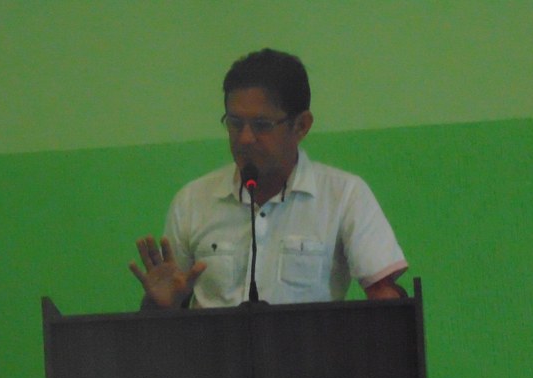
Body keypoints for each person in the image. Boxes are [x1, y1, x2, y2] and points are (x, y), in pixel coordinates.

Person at [129, 48, 408, 309]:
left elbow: (385, 299)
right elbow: (166, 315)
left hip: (311, 347)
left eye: (261, 125)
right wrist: (159, 305)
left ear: (301, 126)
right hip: (213, 348)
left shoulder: (344, 195)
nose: (245, 138)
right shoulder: (192, 201)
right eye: (235, 123)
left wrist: (385, 295)